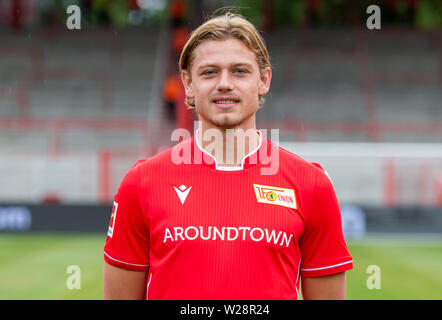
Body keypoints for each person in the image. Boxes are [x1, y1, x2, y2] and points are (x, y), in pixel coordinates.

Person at [103, 12, 353, 300]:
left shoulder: (312, 185)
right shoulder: (141, 183)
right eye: (209, 72)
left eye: (240, 71)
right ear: (187, 83)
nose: (224, 83)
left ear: (264, 80)